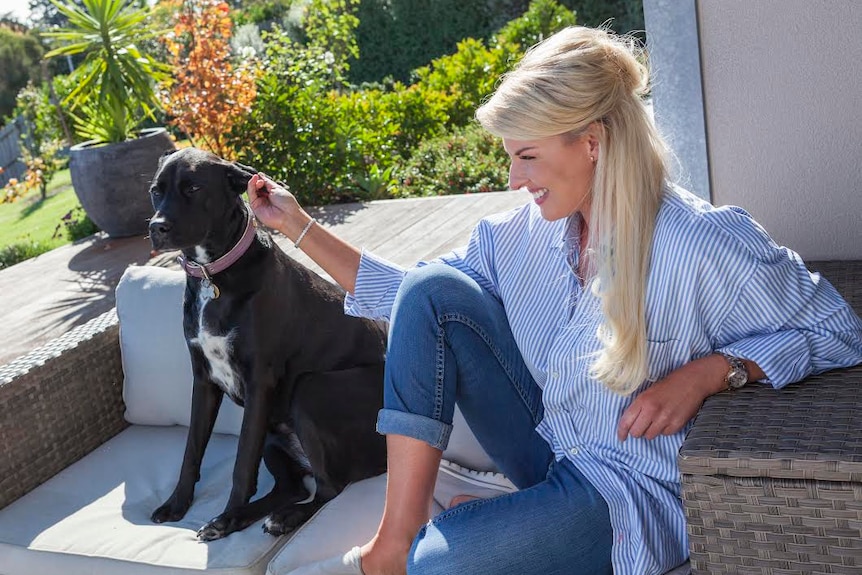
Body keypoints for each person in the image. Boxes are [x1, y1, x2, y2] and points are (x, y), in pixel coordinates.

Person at [247, 26, 862, 575]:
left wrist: (710, 373)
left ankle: (484, 535)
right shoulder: (523, 234)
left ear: (591, 142)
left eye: (526, 156)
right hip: (546, 443)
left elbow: (839, 330)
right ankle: (397, 538)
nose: (515, 180)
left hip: (624, 487)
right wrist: (296, 225)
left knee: (441, 567)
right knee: (432, 291)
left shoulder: (700, 243)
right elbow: (404, 296)